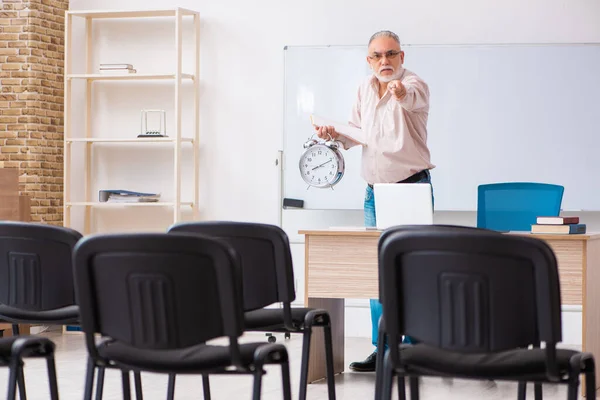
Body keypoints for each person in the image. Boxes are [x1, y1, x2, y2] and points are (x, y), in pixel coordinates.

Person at [314, 30, 435, 372]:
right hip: (374, 193)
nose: (385, 61)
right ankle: (383, 348)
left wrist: (399, 90)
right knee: (377, 273)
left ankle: (412, 350)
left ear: (402, 57)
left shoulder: (415, 84)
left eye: (391, 54)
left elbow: (410, 97)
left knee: (412, 270)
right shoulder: (364, 88)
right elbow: (358, 134)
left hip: (411, 189)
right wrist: (335, 135)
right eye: (378, 56)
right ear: (369, 61)